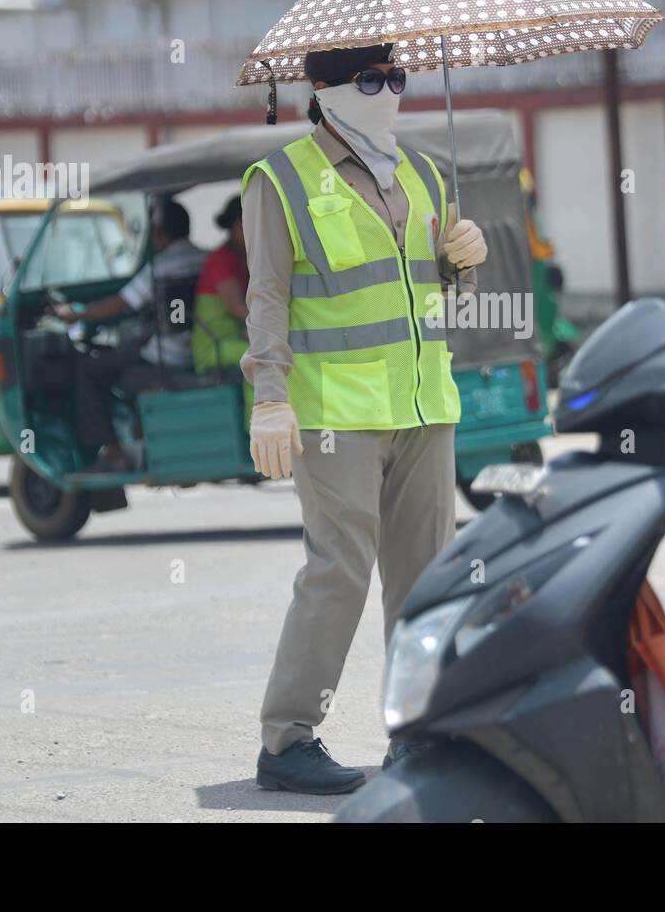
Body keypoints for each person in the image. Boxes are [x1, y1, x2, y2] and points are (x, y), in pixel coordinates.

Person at [241, 43, 487, 794]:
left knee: (424, 579)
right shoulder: (278, 181)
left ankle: (416, 734)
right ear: (324, 91)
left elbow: (431, 299)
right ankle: (287, 740)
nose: (389, 93)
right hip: (332, 413)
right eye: (371, 80)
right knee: (338, 572)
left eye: (398, 78)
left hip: (422, 404)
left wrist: (462, 265)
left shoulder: (422, 172)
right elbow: (268, 298)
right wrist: (270, 396)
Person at [57, 200, 205, 474]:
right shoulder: (204, 259)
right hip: (197, 350)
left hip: (166, 355)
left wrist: (78, 315)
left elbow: (121, 303)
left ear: (159, 234)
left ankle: (114, 454)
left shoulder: (161, 266)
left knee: (89, 368)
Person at [192, 197, 252, 410]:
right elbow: (239, 309)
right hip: (214, 348)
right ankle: (254, 429)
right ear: (238, 225)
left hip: (235, 339)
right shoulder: (222, 260)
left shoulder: (244, 257)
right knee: (263, 357)